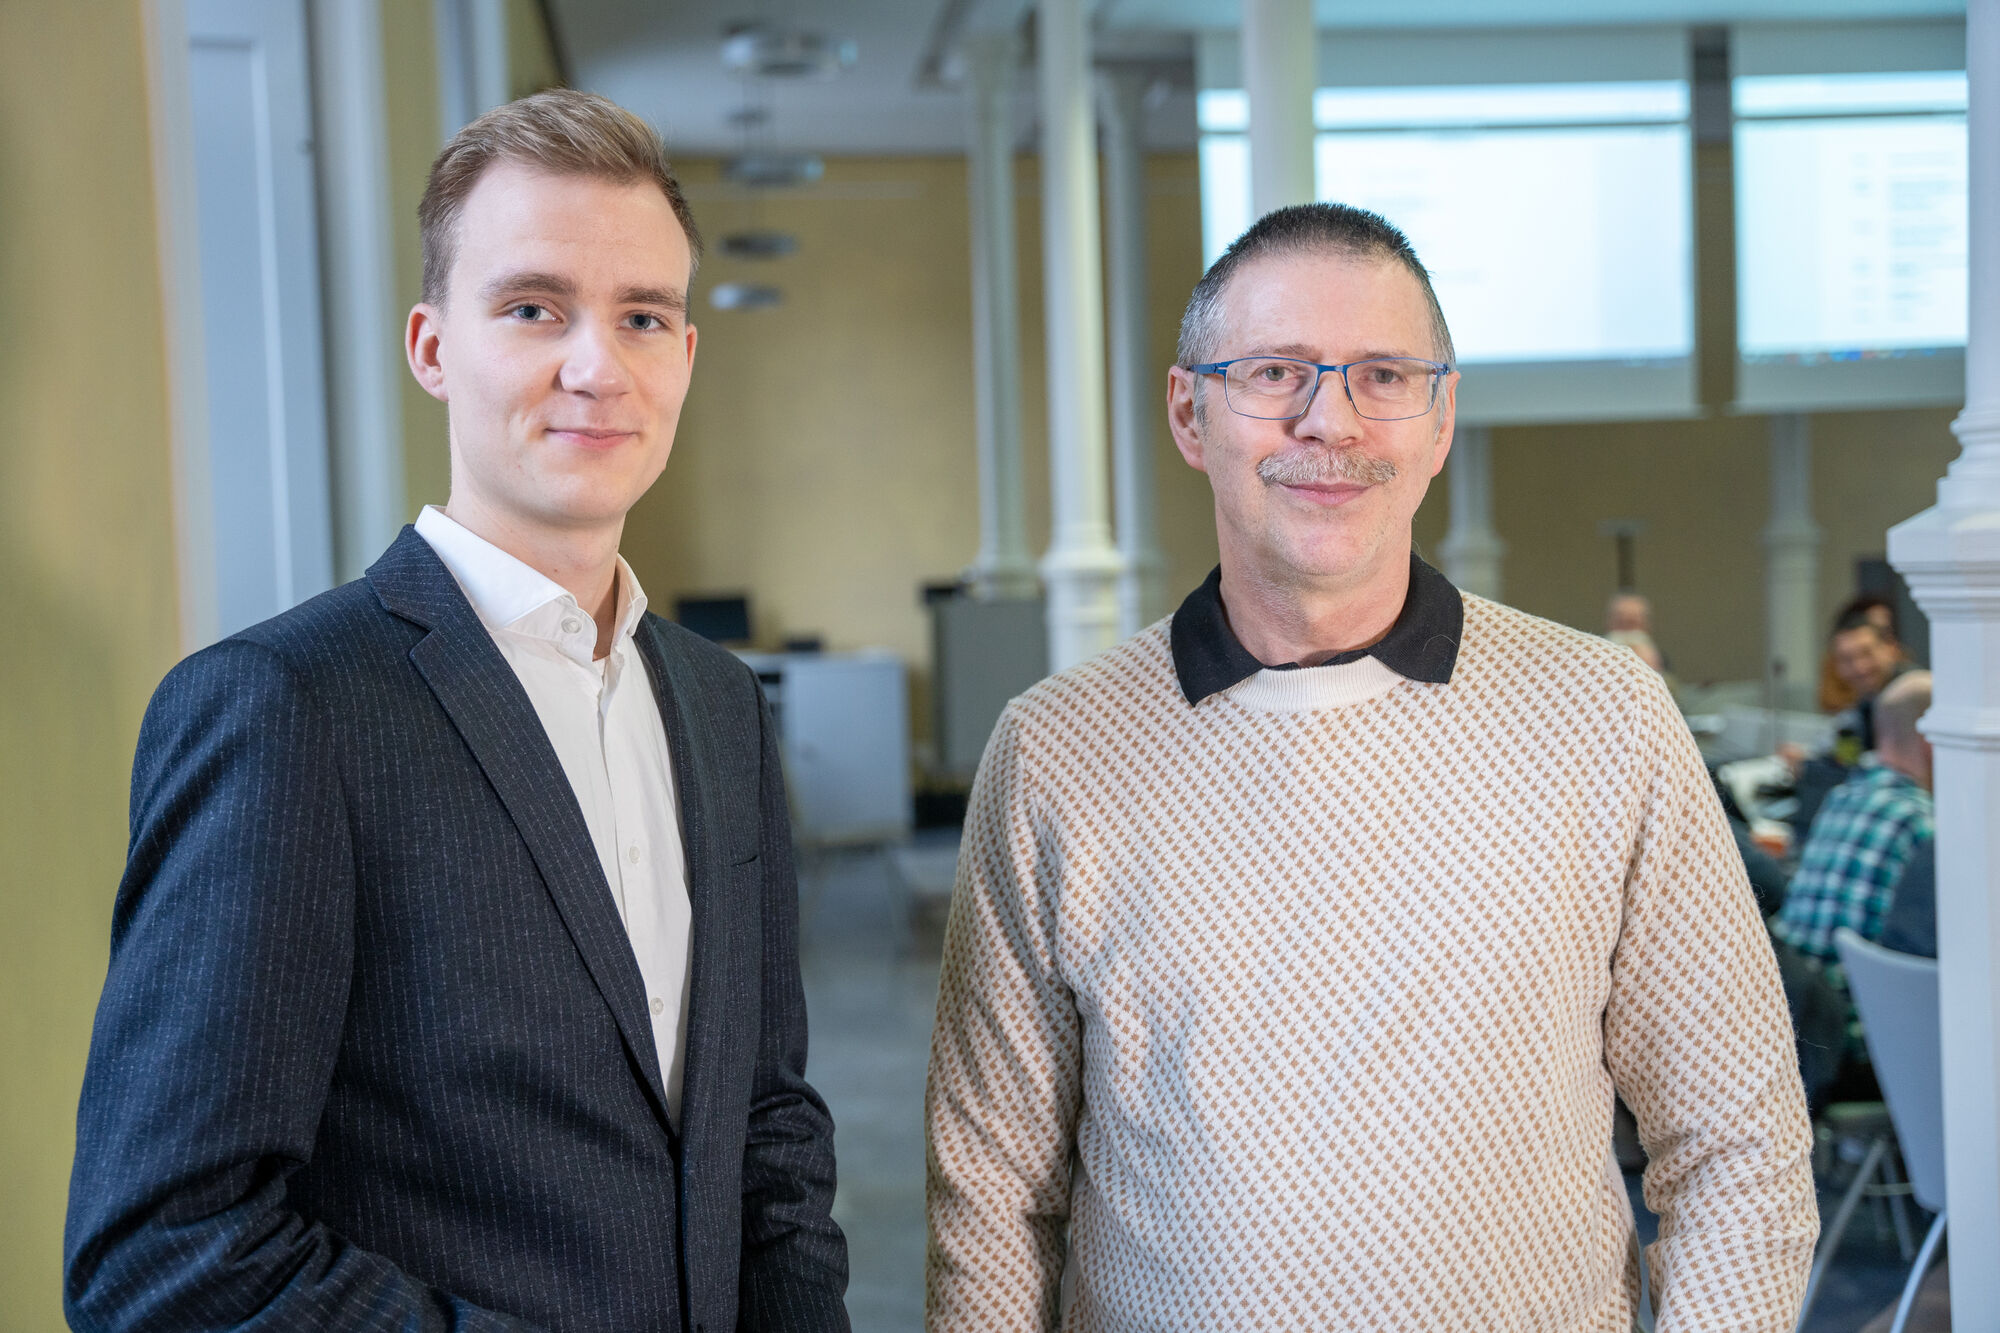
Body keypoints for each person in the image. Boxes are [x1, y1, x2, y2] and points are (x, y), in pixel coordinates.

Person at [925, 203, 1816, 1331]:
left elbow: (1735, 1143)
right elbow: (990, 1196)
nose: (1327, 420)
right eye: (1272, 372)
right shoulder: (1055, 749)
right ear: (1188, 412)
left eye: (1383, 375)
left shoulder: (1604, 716)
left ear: (1438, 422)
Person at [66, 91, 848, 1333]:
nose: (595, 365)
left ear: (683, 359)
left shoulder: (717, 704)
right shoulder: (282, 710)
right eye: (534, 307)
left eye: (641, 317)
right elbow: (165, 1252)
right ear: (432, 348)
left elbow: (766, 1123)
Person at [1772, 672, 1935, 972]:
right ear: (1930, 740)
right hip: (1854, 1007)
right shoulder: (1922, 822)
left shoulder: (1842, 796)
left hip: (1785, 991)